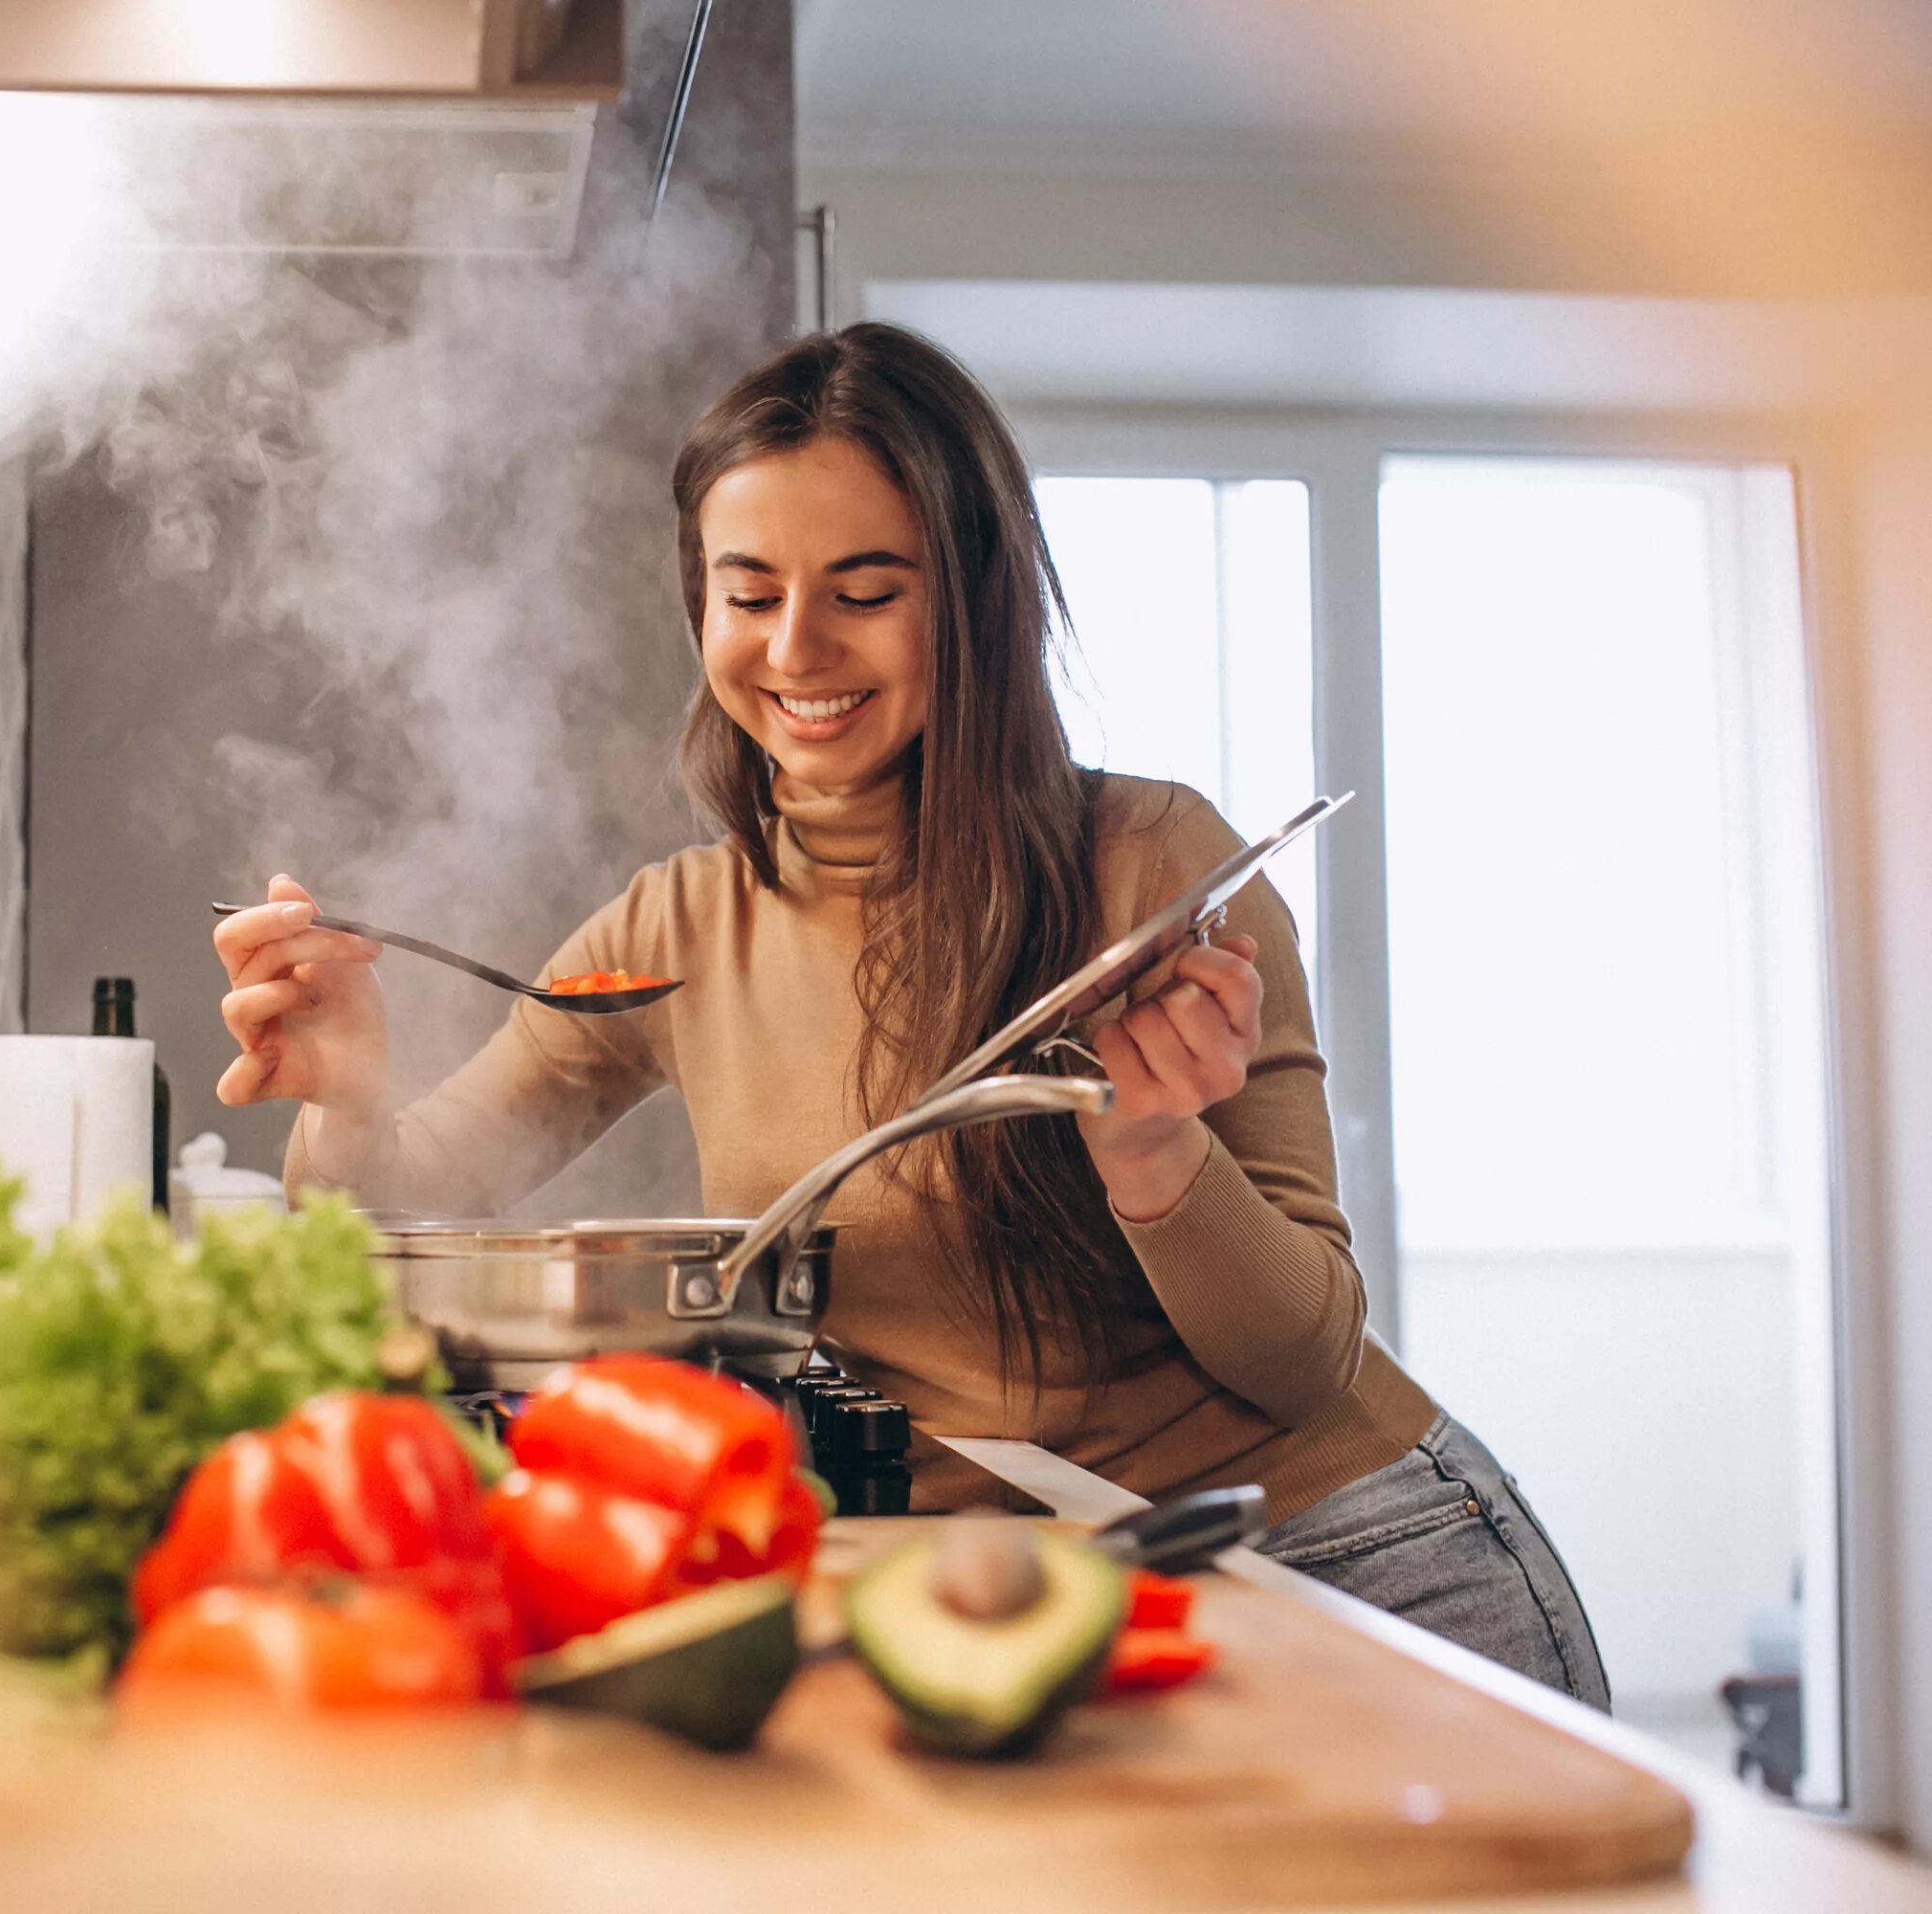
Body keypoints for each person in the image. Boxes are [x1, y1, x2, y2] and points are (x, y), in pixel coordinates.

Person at [210, 322, 1608, 1706]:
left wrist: (1157, 1155)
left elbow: (1305, 1365)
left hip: (1339, 1557)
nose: (795, 646)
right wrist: (345, 1093)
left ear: (974, 600)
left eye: (864, 590)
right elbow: (393, 1213)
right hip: (1014, 1596)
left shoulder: (1151, 866)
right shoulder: (675, 928)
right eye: (747, 592)